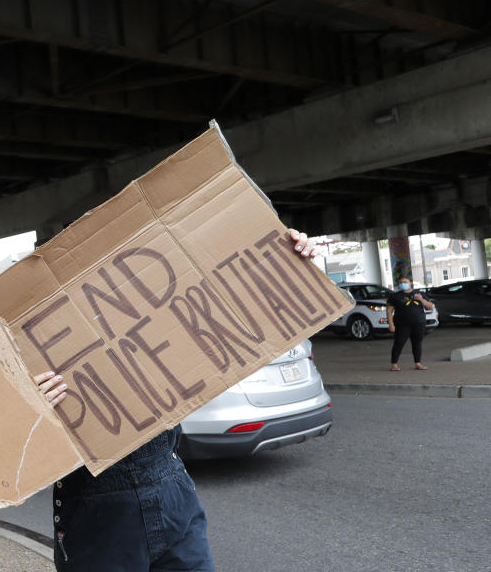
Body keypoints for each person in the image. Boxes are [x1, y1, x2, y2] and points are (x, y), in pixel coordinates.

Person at [33, 229, 319, 572]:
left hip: (171, 485)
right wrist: (28, 406)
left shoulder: (155, 311)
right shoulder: (34, 350)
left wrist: (291, 260)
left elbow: (235, 297)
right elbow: (13, 451)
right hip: (97, 506)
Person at [386, 278, 434, 371]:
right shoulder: (395, 296)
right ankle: (394, 364)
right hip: (402, 324)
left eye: (405, 282)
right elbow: (389, 310)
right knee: (399, 343)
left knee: (417, 343)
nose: (402, 284)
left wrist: (421, 299)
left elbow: (430, 306)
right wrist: (391, 324)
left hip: (419, 323)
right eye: (400, 282)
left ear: (410, 283)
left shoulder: (419, 293)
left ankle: (418, 363)